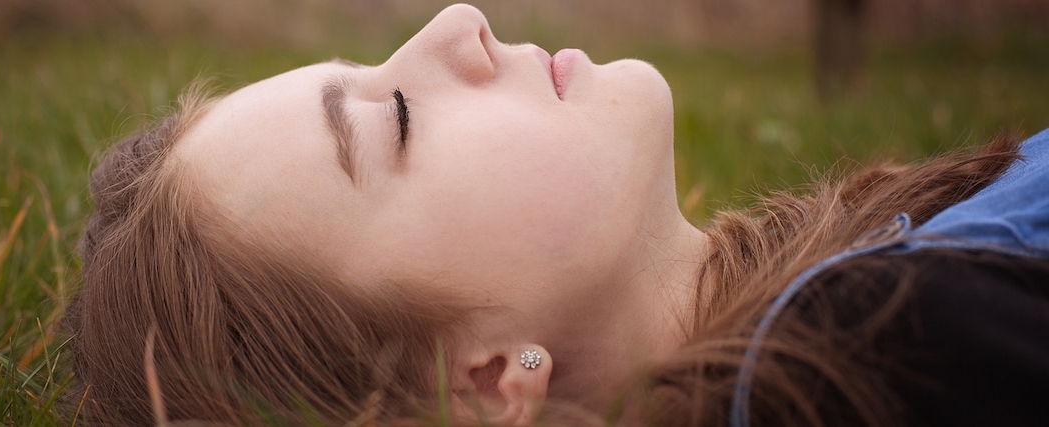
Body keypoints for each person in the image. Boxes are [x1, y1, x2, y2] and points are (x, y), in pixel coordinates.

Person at [62, 4, 1049, 426]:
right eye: (395, 118)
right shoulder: (875, 358)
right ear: (488, 384)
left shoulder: (859, 282)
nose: (456, 23)